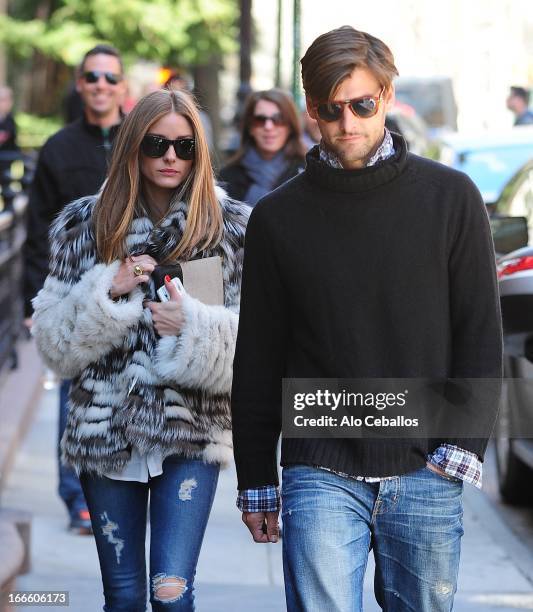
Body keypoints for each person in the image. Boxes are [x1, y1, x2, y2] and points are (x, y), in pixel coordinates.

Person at [231, 26, 502, 612]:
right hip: (318, 463)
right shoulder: (278, 218)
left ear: (386, 95)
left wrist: (457, 450)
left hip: (426, 465)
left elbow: (480, 330)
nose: (347, 122)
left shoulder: (451, 198)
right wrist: (256, 477)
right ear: (310, 109)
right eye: (331, 109)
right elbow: (257, 355)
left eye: (362, 104)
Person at [31, 88, 249, 611]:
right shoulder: (86, 224)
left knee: (171, 593)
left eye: (184, 146)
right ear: (133, 147)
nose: (170, 157)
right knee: (124, 597)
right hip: (105, 433)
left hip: (189, 433)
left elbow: (254, 346)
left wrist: (192, 327)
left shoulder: (229, 229)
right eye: (156, 144)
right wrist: (108, 290)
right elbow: (53, 346)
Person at [23, 44, 126, 535]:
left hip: (132, 291)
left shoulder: (143, 141)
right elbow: (38, 229)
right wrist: (35, 300)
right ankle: (77, 496)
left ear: (122, 86)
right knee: (73, 396)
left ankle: (122, 488)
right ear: (80, 84)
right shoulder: (59, 148)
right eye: (93, 76)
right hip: (72, 295)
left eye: (110, 77)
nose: (101, 85)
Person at [219, 89, 307, 206]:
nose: (268, 126)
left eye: (278, 119)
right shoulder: (227, 178)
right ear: (250, 128)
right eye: (260, 120)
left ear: (290, 127)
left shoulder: (308, 173)